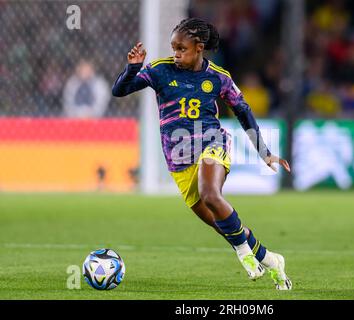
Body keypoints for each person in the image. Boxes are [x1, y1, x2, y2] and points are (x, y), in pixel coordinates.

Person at [112, 18, 292, 290]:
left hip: (212, 143)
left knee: (211, 194)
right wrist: (132, 69)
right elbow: (119, 90)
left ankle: (243, 254)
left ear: (199, 48)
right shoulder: (160, 70)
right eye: (173, 48)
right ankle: (271, 259)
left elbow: (243, 111)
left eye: (181, 48)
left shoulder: (219, 78)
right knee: (223, 225)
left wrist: (265, 153)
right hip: (179, 159)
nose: (175, 54)